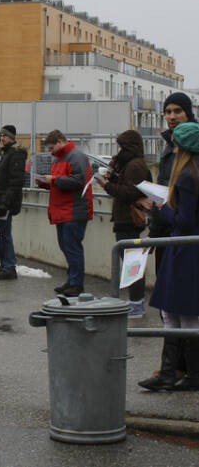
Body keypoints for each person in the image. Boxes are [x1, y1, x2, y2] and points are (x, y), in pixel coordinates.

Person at [139, 122, 199, 391]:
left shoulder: (187, 175)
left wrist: (162, 209)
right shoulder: (192, 172)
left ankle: (180, 374)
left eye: (176, 145)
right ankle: (175, 373)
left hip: (185, 250)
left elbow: (185, 221)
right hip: (187, 250)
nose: (173, 150)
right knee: (178, 312)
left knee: (178, 313)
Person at [95, 130, 152, 317]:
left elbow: (130, 192)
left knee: (132, 262)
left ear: (129, 147)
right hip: (124, 217)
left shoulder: (135, 165)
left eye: (121, 147)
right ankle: (135, 301)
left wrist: (107, 185)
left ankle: (137, 304)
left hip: (129, 218)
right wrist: (113, 175)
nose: (119, 150)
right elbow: (128, 185)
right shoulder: (130, 164)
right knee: (130, 261)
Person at [36, 130, 93, 297]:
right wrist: (45, 184)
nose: (51, 151)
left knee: (72, 247)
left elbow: (79, 181)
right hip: (62, 210)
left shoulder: (76, 157)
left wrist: (53, 180)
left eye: (52, 147)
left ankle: (76, 283)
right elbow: (62, 182)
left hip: (74, 210)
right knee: (66, 246)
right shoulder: (58, 158)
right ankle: (72, 280)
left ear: (61, 141)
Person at [150, 93, 197, 273]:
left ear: (188, 113)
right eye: (167, 112)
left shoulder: (192, 149)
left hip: (184, 233)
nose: (171, 116)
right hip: (166, 229)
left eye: (177, 111)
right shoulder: (169, 147)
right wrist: (155, 231)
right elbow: (163, 187)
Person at [0, 124, 27, 280]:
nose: (1, 138)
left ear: (11, 136)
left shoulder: (16, 154)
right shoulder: (8, 153)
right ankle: (7, 265)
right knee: (4, 234)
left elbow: (15, 182)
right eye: (1, 135)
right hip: (0, 202)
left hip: (5, 203)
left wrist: (5, 205)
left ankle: (8, 265)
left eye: (3, 135)